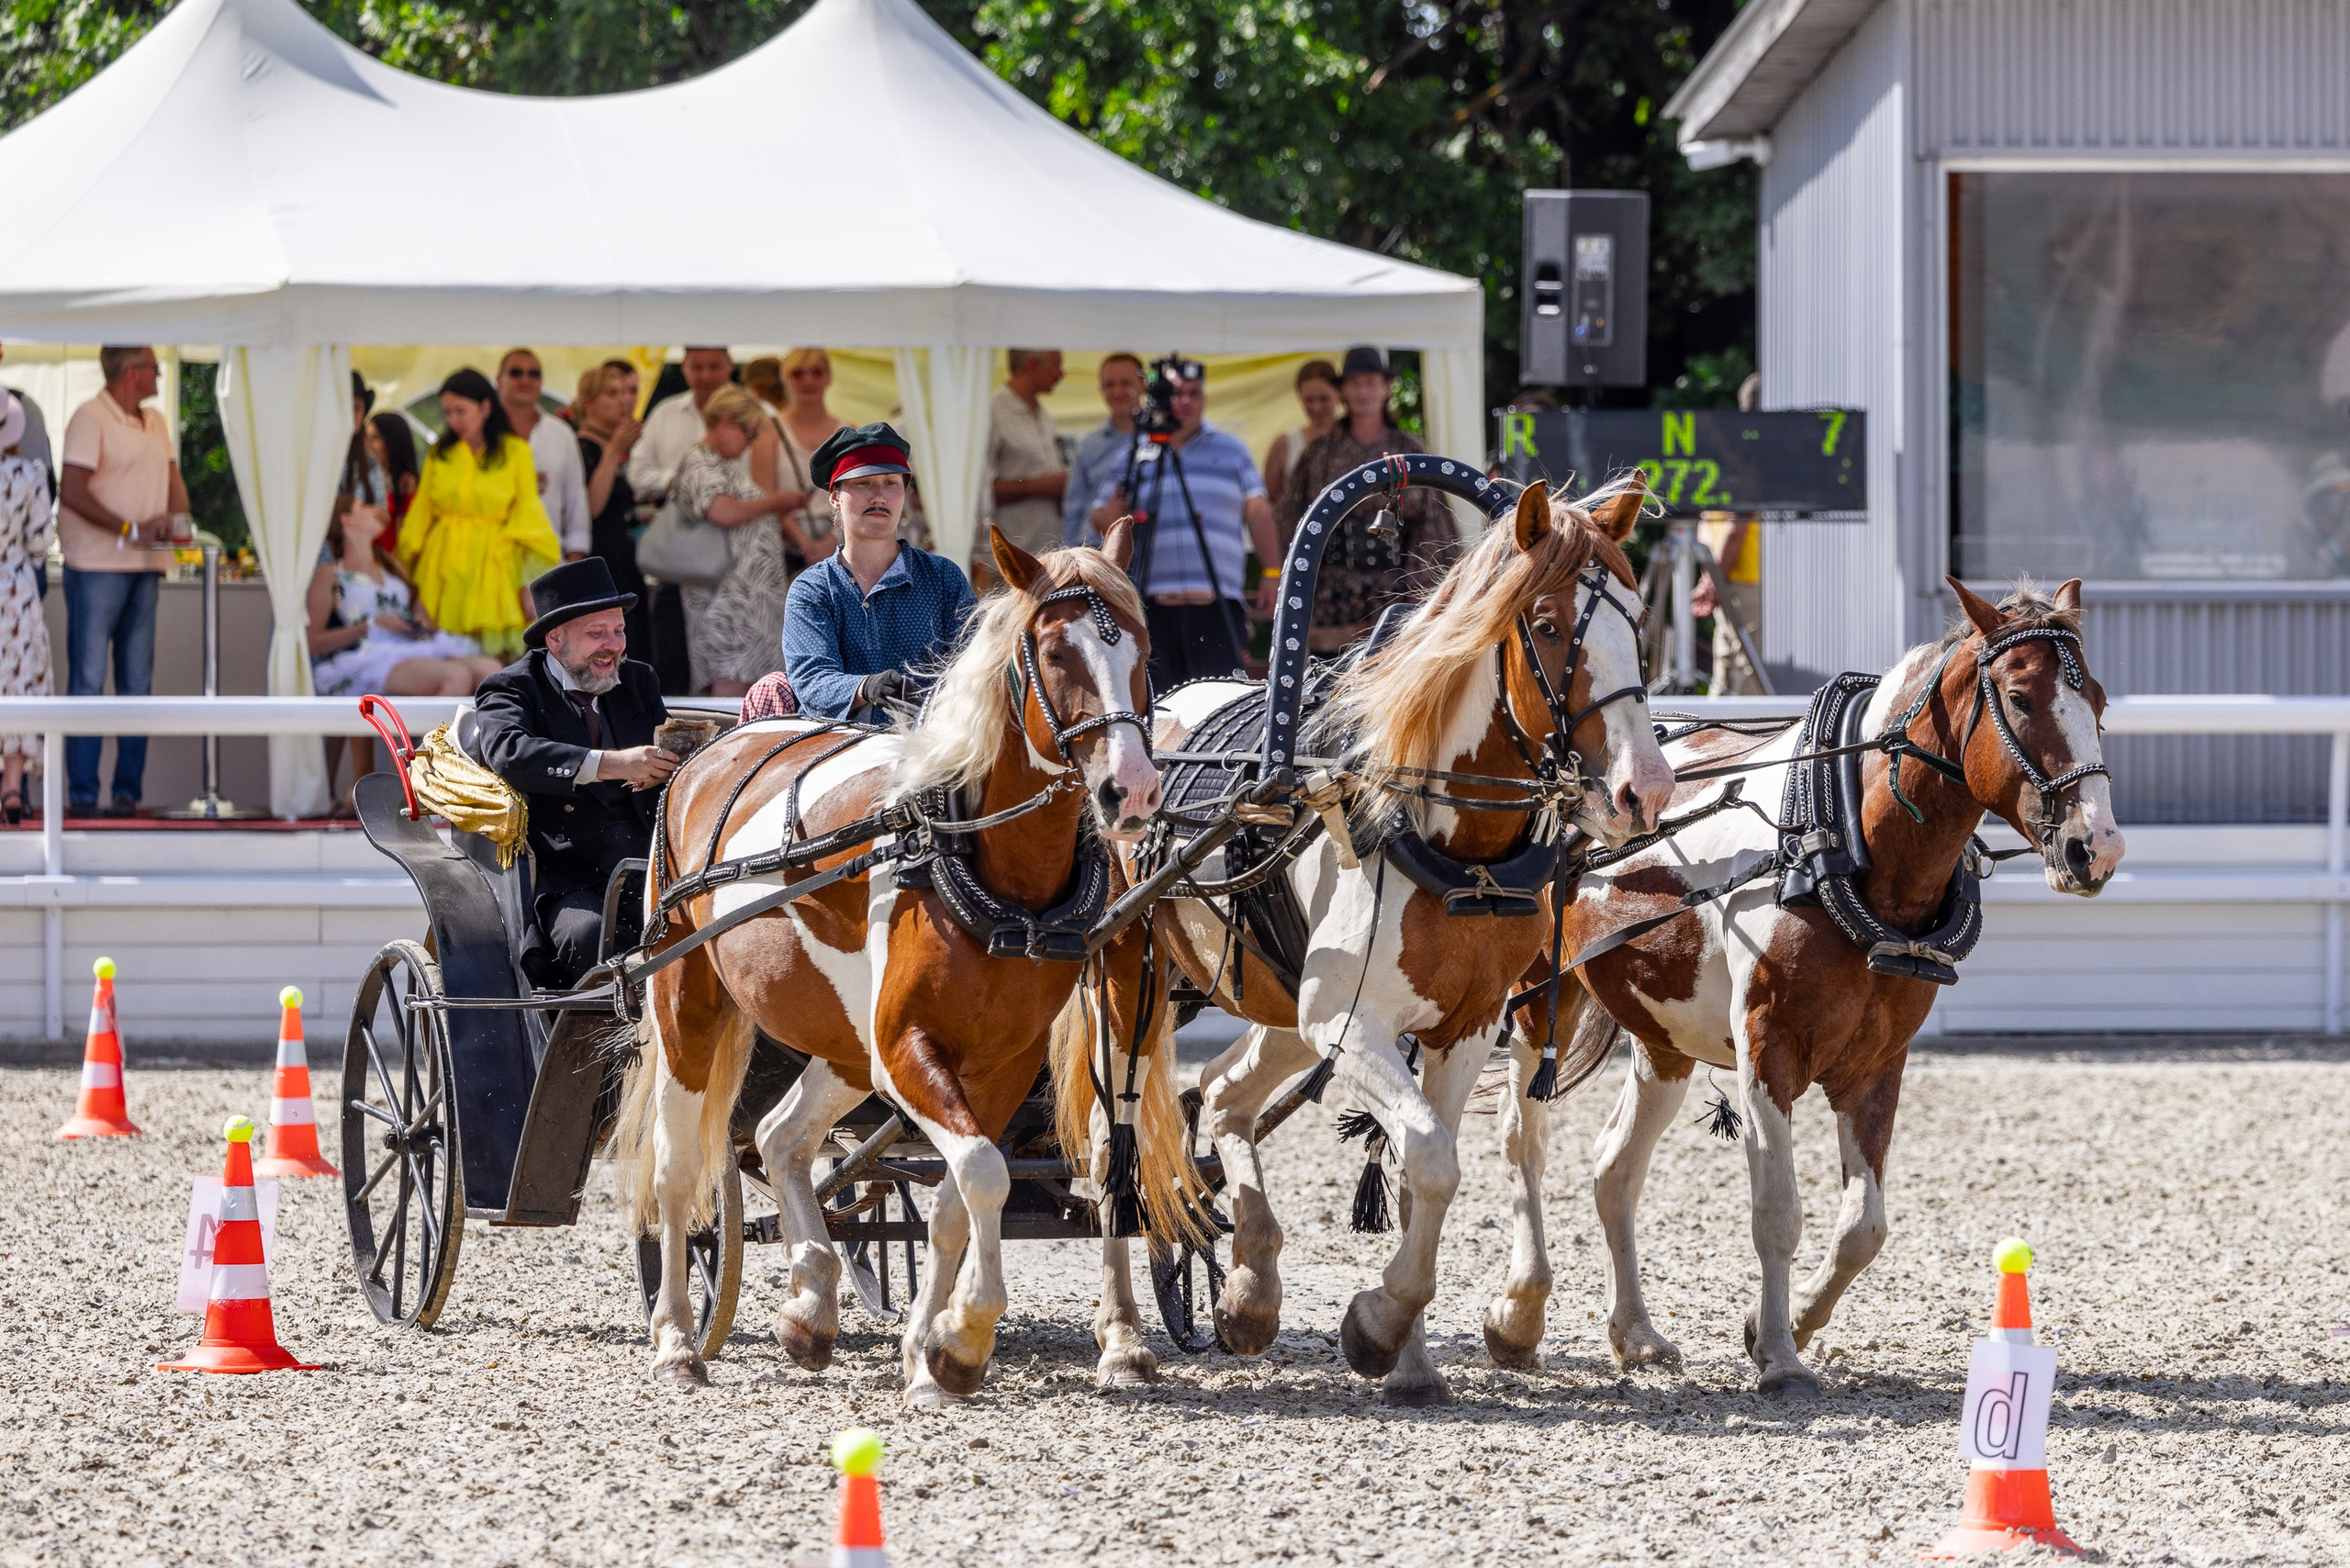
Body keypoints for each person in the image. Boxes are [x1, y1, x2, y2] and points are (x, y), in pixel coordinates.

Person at [471, 558, 676, 988]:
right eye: (596, 634)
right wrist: (613, 764)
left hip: (650, 866)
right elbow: (510, 753)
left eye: (618, 631)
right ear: (555, 638)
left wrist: (669, 767)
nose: (614, 645)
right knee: (587, 938)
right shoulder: (511, 688)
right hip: (568, 877)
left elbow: (667, 758)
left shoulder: (639, 681)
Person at [1088, 361, 1281, 689]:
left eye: (1194, 394)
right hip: (1153, 606)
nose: (1185, 402)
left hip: (1216, 606)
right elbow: (1101, 516)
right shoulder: (1138, 451)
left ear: (1204, 398)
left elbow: (1259, 511)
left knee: (1222, 699)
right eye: (1176, 394)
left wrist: (1272, 572)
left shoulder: (1231, 449)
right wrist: (1127, 505)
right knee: (1158, 704)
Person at [57, 345, 185, 818]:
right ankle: (85, 798)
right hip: (95, 565)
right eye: (154, 367)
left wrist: (180, 522)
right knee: (89, 683)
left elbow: (173, 479)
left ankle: (127, 794)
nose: (159, 373)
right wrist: (130, 529)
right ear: (132, 372)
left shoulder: (156, 422)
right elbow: (70, 491)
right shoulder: (90, 417)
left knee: (137, 685)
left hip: (144, 567)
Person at [783, 422, 977, 722]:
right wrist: (864, 687)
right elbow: (811, 680)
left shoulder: (943, 577)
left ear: (905, 492)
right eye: (863, 483)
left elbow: (975, 668)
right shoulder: (813, 588)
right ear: (834, 496)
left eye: (891, 483)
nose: (879, 496)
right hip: (837, 751)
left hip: (935, 746)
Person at [1277, 345, 1456, 652]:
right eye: (1355, 384)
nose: (1363, 392)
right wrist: (1299, 580)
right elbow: (1291, 518)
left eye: (1371, 383)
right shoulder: (1320, 452)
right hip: (1330, 595)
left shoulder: (1411, 449)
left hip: (1393, 592)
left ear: (1386, 389)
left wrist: (1418, 591)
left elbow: (1434, 523)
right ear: (1343, 391)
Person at [395, 368, 560, 660]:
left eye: (461, 411)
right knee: (443, 656)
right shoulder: (440, 454)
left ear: (485, 407)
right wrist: (405, 570)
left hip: (496, 569)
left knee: (494, 661)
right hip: (441, 568)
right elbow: (421, 514)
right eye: (448, 412)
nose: (453, 420)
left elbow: (529, 518)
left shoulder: (516, 452)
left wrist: (529, 584)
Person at [668, 386, 803, 696]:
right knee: (732, 686)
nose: (750, 444)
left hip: (746, 601)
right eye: (749, 434)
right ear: (727, 422)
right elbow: (723, 511)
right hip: (728, 602)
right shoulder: (700, 461)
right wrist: (775, 502)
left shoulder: (717, 463)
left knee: (747, 684)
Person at [571, 360, 650, 659]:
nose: (623, 402)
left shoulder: (607, 445)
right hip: (601, 556)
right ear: (589, 404)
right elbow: (592, 506)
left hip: (623, 555)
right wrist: (614, 450)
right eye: (612, 394)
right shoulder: (584, 448)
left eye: (625, 393)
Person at [1695, 371, 1766, 693]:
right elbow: (1728, 523)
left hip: (1736, 576)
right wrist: (1713, 576)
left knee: (1732, 674)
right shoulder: (1759, 450)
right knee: (1741, 677)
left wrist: (1710, 574)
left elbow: (1717, 521)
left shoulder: (1738, 451)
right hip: (1740, 576)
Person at [0, 393, 53, 824]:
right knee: (17, 683)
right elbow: (40, 539)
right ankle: (13, 788)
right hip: (14, 587)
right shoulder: (27, 474)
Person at [499, 349, 591, 560]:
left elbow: (577, 502)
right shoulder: (483, 433)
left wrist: (574, 561)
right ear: (499, 379)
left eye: (534, 374)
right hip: (492, 561)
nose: (525, 379)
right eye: (516, 373)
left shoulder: (561, 434)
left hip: (546, 559)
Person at [770, 348, 847, 573]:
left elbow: (860, 492)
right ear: (785, 379)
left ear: (828, 377)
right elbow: (763, 496)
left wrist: (832, 541)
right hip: (785, 553)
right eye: (798, 374)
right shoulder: (769, 430)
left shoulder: (849, 431)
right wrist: (805, 545)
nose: (808, 380)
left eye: (816, 372)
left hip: (841, 543)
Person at [987, 349, 1068, 561]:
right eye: (1057, 364)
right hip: (1014, 560)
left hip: (1051, 554)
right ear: (1032, 365)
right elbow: (978, 492)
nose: (1062, 374)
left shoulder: (1044, 414)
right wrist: (1038, 487)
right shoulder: (992, 413)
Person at [1063, 353, 1145, 547]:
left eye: (1126, 383)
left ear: (1144, 385)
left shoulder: (1162, 442)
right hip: (1097, 558)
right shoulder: (1089, 445)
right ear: (1101, 389)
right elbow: (1073, 511)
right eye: (1109, 385)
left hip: (1147, 556)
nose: (1118, 391)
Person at [1259, 358, 1342, 517]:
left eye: (1324, 398)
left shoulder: (1351, 440)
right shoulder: (1284, 443)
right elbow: (1269, 501)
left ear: (1338, 394)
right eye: (1309, 400)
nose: (1316, 407)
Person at [365, 411, 421, 553]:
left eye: (376, 437)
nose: (368, 444)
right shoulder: (362, 477)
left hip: (390, 559)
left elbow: (404, 531)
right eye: (366, 437)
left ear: (393, 442)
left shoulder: (406, 481)